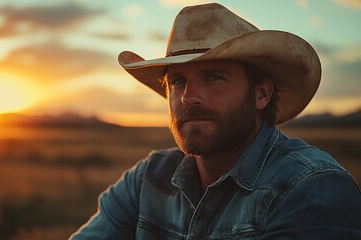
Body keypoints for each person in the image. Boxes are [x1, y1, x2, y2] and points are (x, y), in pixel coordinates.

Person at [69, 3, 361, 239]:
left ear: (261, 94)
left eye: (213, 77)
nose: (187, 98)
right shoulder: (147, 180)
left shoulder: (311, 187)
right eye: (178, 81)